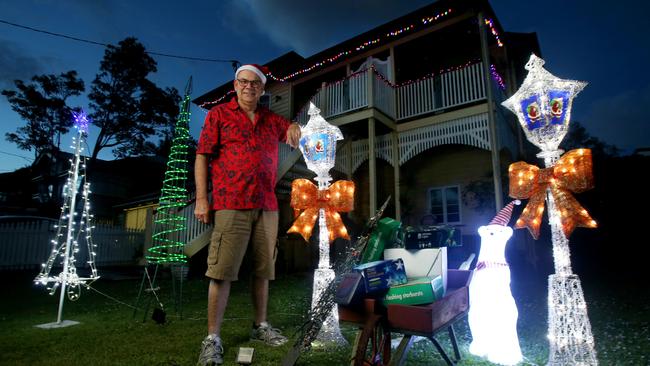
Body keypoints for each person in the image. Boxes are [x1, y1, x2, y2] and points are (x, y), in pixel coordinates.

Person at [194, 64, 301, 366]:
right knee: (221, 271)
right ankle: (212, 338)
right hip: (231, 202)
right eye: (244, 82)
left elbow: (292, 130)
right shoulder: (219, 115)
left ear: (262, 90)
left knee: (264, 269)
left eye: (255, 83)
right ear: (235, 84)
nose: (249, 87)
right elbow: (202, 156)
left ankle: (260, 326)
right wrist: (202, 199)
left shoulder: (270, 120)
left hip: (266, 204)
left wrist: (294, 127)